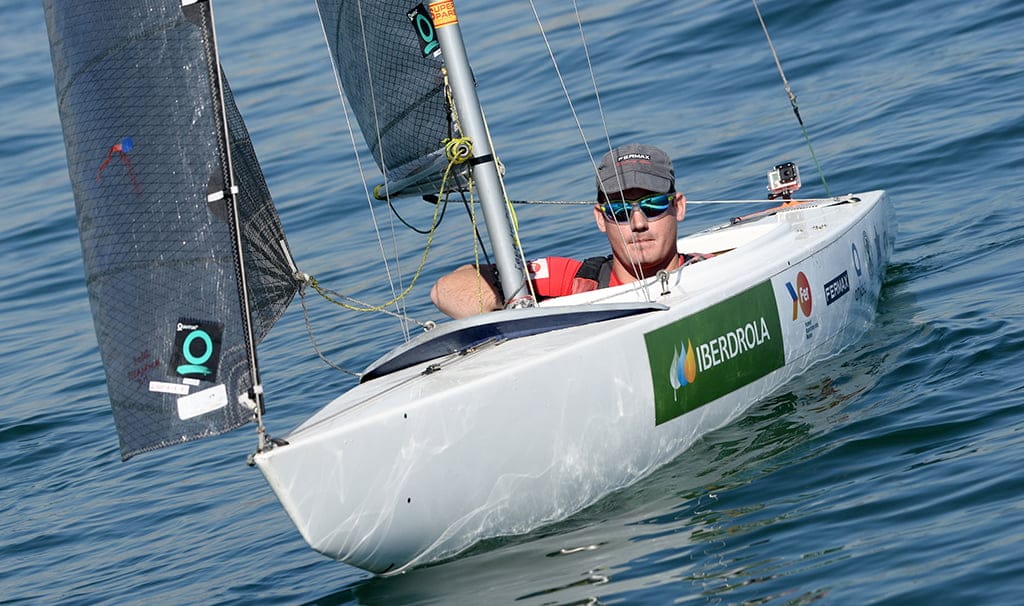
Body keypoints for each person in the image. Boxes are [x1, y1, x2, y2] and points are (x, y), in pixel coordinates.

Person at [431, 143, 707, 319]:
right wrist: (513, 311)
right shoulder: (572, 282)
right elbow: (446, 290)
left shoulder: (711, 270)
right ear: (600, 219)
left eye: (653, 205)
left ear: (679, 207)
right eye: (620, 211)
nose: (638, 223)